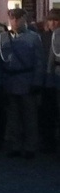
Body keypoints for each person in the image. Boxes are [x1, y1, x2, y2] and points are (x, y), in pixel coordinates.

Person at [0, 8, 45, 158]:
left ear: (25, 20)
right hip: (9, 81)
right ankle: (14, 145)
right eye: (12, 19)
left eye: (18, 19)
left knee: (30, 117)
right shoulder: (2, 37)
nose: (15, 22)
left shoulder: (34, 38)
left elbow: (39, 62)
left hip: (27, 81)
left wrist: (37, 82)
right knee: (12, 117)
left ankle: (30, 147)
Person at [39, 9, 60, 153]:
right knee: (47, 111)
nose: (52, 23)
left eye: (56, 20)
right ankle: (48, 141)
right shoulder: (43, 37)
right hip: (46, 79)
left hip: (56, 75)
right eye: (50, 20)